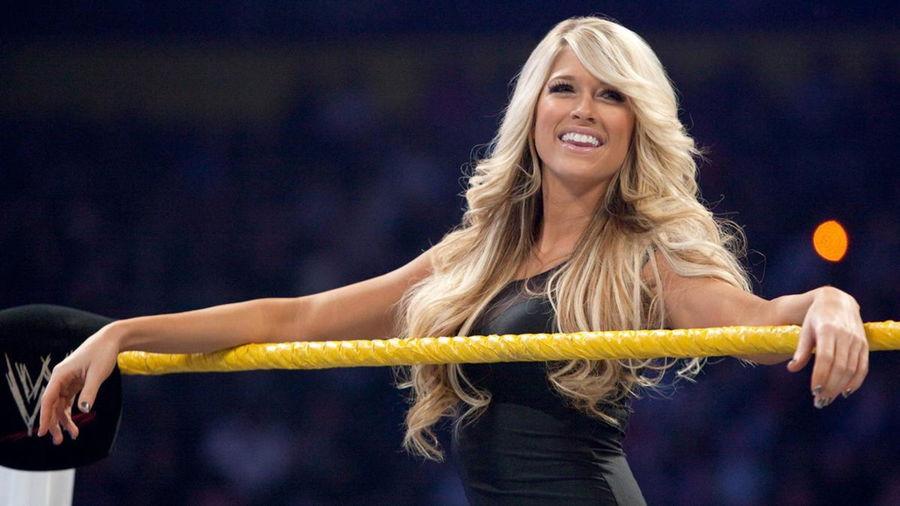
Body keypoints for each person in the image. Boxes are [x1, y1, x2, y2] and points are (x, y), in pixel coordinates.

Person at [34, 16, 868, 505]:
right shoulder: (476, 257)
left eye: (612, 94)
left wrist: (829, 302)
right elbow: (297, 319)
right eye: (566, 87)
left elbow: (757, 325)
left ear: (636, 126)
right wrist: (123, 334)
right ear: (533, 110)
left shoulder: (643, 255)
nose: (585, 109)